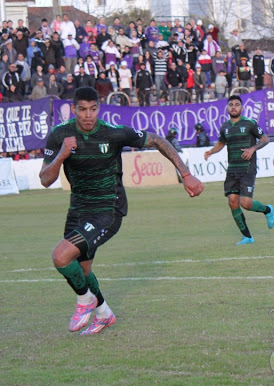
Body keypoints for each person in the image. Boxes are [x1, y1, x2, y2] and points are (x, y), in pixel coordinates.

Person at [39, 87, 204, 335]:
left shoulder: (112, 133)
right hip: (78, 209)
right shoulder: (59, 135)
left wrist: (187, 174)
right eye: (82, 110)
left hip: (108, 209)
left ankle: (85, 301)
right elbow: (44, 179)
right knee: (82, 271)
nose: (88, 115)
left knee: (60, 257)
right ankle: (104, 314)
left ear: (98, 109)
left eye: (93, 109)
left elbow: (158, 140)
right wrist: (62, 155)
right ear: (74, 110)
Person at [203, 95, 274, 245]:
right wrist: (211, 151)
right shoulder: (225, 127)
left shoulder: (250, 123)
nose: (234, 107)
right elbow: (221, 143)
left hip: (247, 168)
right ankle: (247, 237)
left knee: (246, 203)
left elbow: (265, 139)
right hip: (232, 169)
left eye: (237, 104)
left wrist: (252, 149)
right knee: (233, 202)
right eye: (231, 105)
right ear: (228, 108)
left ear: (242, 108)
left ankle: (267, 210)